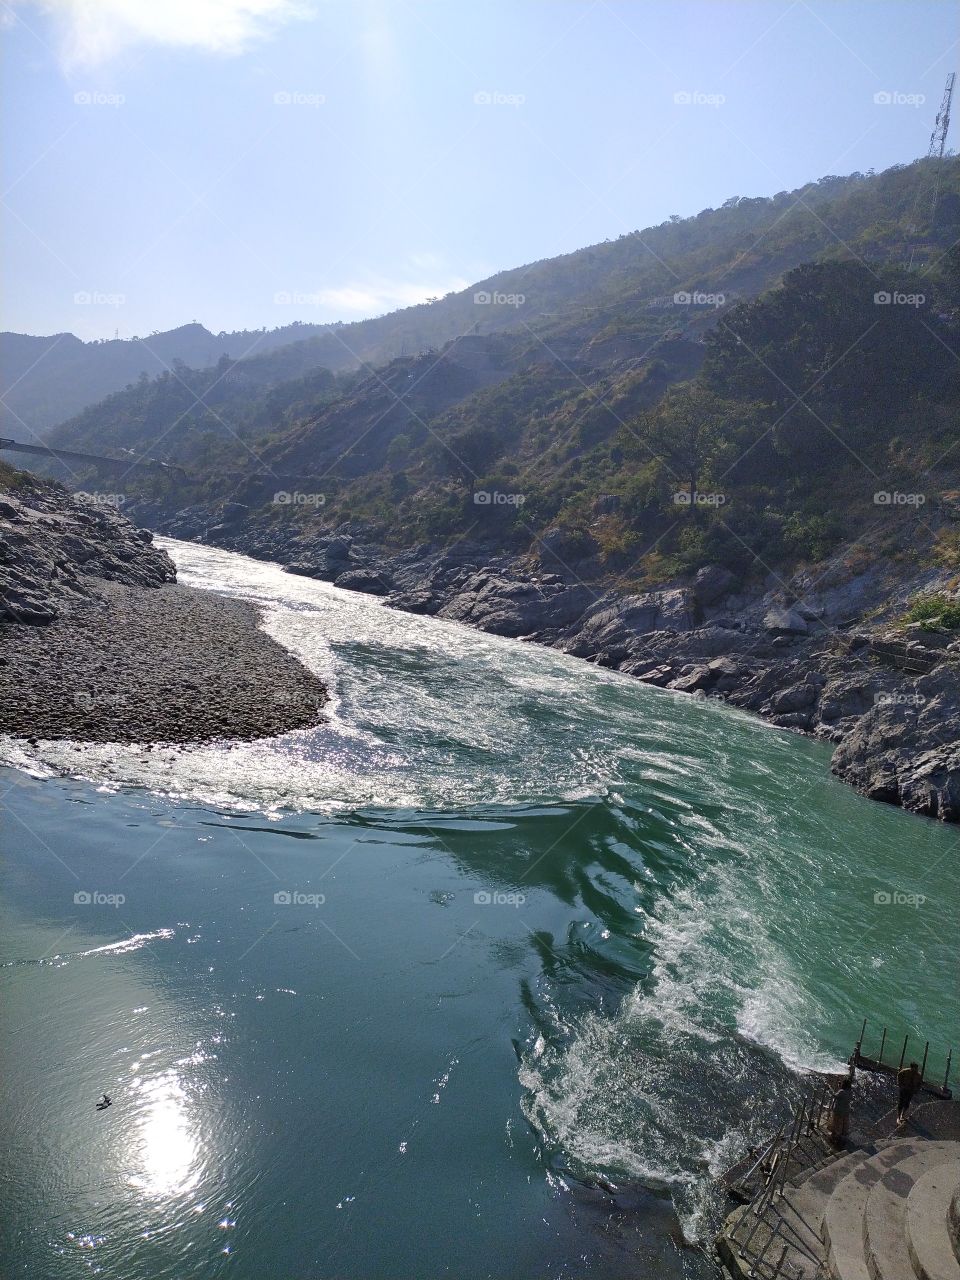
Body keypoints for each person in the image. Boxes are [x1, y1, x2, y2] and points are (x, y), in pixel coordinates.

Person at [828, 1078, 853, 1145]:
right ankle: (843, 1136)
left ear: (844, 1084)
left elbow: (835, 1096)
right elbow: (844, 1095)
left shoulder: (841, 1092)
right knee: (844, 1124)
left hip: (839, 1111)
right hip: (846, 1111)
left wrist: (829, 1089)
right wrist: (840, 1087)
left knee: (837, 1123)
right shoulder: (850, 1092)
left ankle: (835, 1137)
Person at [897, 1062, 922, 1126]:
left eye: (916, 1068)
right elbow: (899, 1076)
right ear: (911, 1068)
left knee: (907, 1103)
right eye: (915, 1068)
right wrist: (900, 1085)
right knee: (901, 1102)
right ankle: (898, 1117)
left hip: (911, 1090)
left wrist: (917, 1089)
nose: (916, 1070)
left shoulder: (918, 1075)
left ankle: (903, 1115)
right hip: (904, 1089)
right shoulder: (905, 1071)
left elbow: (919, 1083)